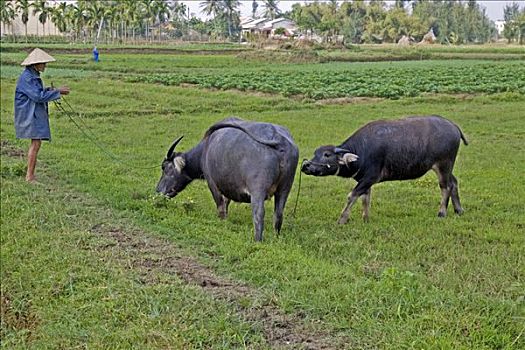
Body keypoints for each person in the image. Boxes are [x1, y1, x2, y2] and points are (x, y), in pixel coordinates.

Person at [14, 48, 70, 183]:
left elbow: (38, 92)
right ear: (35, 64)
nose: (45, 65)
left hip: (32, 112)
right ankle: (30, 176)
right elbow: (37, 96)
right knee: (36, 143)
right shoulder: (27, 78)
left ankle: (30, 175)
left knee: (36, 143)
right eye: (43, 63)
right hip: (29, 113)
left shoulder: (32, 75)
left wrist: (50, 91)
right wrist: (57, 92)